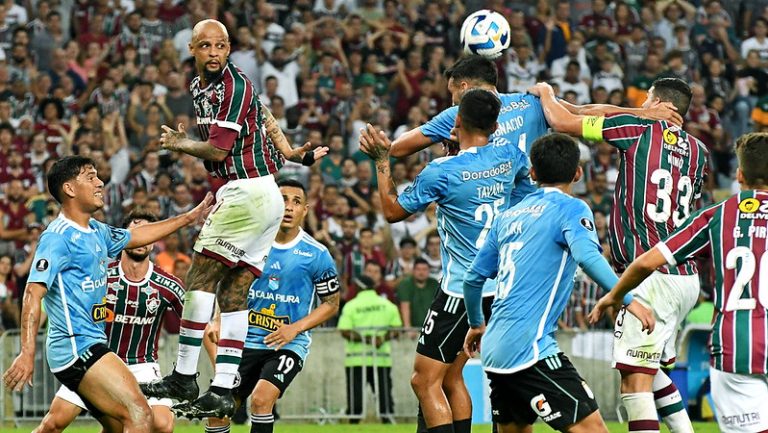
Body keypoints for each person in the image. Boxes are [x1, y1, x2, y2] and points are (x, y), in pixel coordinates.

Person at [139, 19, 327, 419]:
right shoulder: (201, 86)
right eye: (205, 46)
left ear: (229, 50)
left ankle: (184, 375)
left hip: (245, 190)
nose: (213, 53)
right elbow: (267, 116)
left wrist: (180, 143)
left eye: (220, 46)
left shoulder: (233, 86)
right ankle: (225, 387)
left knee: (200, 277)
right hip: (266, 194)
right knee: (235, 292)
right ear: (192, 48)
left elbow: (219, 152)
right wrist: (291, 152)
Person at [529, 77, 707, 433]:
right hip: (684, 274)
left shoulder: (638, 130)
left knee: (635, 384)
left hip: (649, 273)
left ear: (654, 100)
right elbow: (592, 112)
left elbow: (563, 122)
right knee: (652, 369)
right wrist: (637, 112)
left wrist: (546, 93)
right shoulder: (698, 150)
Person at [360, 89, 529, 433]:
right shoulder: (511, 154)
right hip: (502, 288)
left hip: (460, 291)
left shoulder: (442, 171)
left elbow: (393, 211)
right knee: (452, 378)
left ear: (457, 121)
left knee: (424, 382)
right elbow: (526, 186)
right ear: (496, 125)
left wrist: (381, 162)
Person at [2, 156, 212, 433]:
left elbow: (137, 236)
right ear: (70, 189)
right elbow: (32, 293)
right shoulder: (58, 237)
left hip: (91, 345)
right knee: (140, 416)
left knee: (120, 425)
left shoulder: (97, 231)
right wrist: (26, 352)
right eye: (90, 177)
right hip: (77, 346)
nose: (100, 182)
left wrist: (187, 218)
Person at [462, 133, 654, 433]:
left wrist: (476, 323)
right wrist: (627, 299)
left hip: (495, 347)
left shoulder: (508, 216)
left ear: (533, 173)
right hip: (530, 348)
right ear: (578, 173)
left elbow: (473, 279)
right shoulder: (571, 208)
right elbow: (588, 257)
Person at [588, 132, 768, 433]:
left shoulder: (716, 215)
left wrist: (615, 295)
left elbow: (646, 261)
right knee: (648, 369)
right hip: (698, 301)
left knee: (637, 376)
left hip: (739, 348)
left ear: (739, 175)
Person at [390, 54, 681, 206]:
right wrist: (642, 113)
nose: (452, 100)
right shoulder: (533, 101)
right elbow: (585, 111)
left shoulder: (457, 114)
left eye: (453, 92)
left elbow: (399, 148)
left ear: (464, 87)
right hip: (534, 213)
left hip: (486, 218)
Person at [204, 178, 340, 433]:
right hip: (244, 341)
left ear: (305, 210)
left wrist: (295, 329)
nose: (289, 207)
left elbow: (331, 304)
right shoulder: (248, 244)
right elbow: (228, 285)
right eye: (283, 199)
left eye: (296, 201)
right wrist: (219, 317)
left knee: (261, 400)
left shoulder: (316, 254)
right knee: (218, 410)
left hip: (286, 345)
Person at [33, 209, 185, 433]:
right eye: (137, 231)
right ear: (124, 236)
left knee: (162, 425)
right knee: (52, 424)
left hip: (142, 365)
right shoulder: (101, 275)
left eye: (148, 233)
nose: (143, 239)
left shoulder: (168, 285)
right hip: (97, 362)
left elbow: (193, 324)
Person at [338, 274, 402, 424]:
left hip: (356, 359)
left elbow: (345, 331)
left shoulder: (351, 306)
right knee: (384, 395)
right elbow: (396, 329)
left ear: (358, 287)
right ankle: (387, 420)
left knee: (355, 397)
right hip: (381, 358)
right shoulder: (388, 305)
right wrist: (380, 338)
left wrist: (365, 339)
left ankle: (354, 422)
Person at [397, 258, 439, 332]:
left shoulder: (434, 284)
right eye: (418, 269)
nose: (421, 272)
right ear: (413, 270)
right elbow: (405, 306)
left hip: (431, 329)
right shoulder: (405, 284)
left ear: (429, 271)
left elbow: (438, 306)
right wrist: (408, 328)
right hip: (413, 330)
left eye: (424, 269)